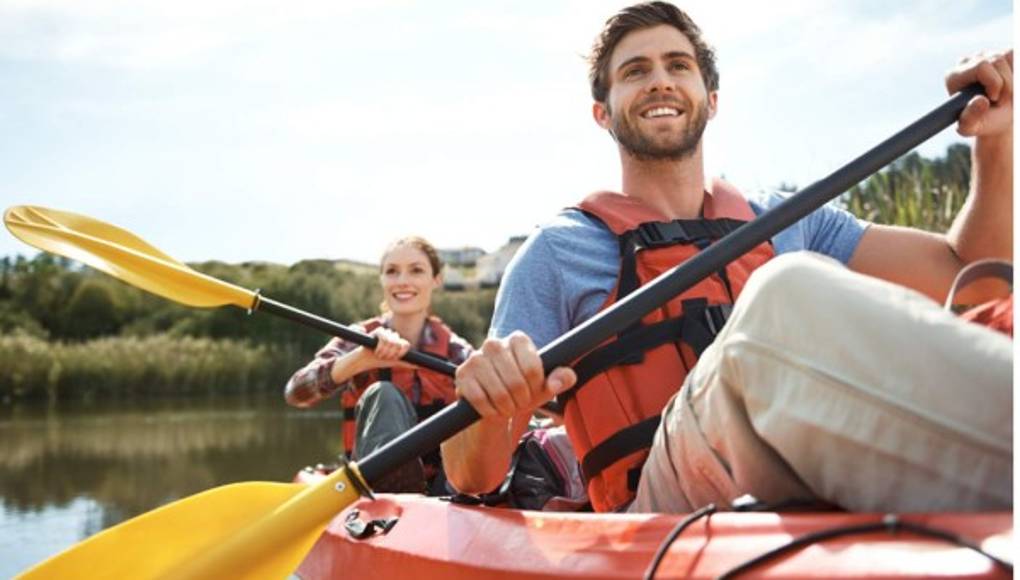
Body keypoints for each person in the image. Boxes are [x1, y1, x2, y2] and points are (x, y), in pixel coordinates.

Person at [442, 2, 1012, 514]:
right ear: (603, 113)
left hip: (810, 453)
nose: (659, 81)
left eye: (678, 65)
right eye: (635, 72)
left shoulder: (791, 218)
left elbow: (976, 278)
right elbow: (472, 476)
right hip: (662, 505)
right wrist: (491, 399)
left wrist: (997, 137)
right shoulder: (556, 253)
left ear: (710, 100)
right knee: (786, 289)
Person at [285, 236, 474, 494]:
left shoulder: (455, 349)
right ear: (382, 279)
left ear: (436, 279)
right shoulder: (358, 337)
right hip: (374, 483)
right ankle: (394, 487)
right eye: (392, 271)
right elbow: (295, 393)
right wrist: (359, 360)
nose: (402, 281)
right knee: (384, 394)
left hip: (445, 486)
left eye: (416, 270)